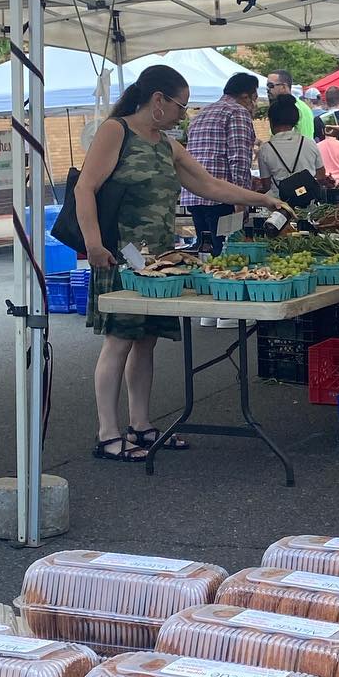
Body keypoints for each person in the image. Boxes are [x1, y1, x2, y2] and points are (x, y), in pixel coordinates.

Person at [75, 65, 293, 462]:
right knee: (119, 340)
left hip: (160, 259)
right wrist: (92, 243)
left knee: (146, 341)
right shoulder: (115, 131)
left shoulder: (167, 143)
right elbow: (84, 187)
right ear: (158, 100)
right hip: (120, 256)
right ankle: (108, 432)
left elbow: (208, 184)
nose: (184, 114)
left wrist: (263, 199)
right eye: (181, 105)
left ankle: (140, 425)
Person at [179, 72, 259, 254]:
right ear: (245, 96)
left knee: (206, 251)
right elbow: (239, 159)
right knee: (226, 252)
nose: (254, 105)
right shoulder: (237, 112)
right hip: (222, 197)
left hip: (193, 194)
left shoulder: (202, 113)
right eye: (254, 98)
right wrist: (242, 199)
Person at [258, 95, 328, 195]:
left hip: (280, 205)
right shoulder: (309, 143)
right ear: (295, 120)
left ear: (272, 121)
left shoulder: (265, 149)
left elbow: (266, 185)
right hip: (310, 202)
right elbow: (321, 176)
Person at [266, 71, 317, 140]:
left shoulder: (292, 108)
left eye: (270, 85)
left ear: (284, 87)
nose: (268, 89)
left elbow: (282, 140)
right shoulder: (302, 106)